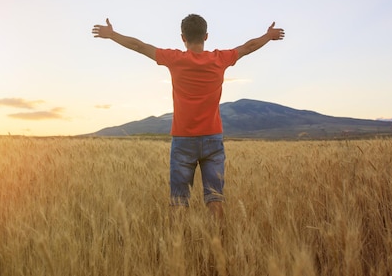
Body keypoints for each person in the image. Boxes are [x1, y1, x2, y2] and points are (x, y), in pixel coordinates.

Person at [92, 14, 284, 222]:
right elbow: (248, 47)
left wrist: (111, 35)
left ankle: (179, 247)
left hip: (183, 139)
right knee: (215, 198)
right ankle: (216, 246)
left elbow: (139, 46)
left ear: (182, 37)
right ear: (206, 36)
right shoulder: (220, 59)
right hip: (213, 137)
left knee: (179, 200)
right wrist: (268, 36)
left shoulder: (174, 59)